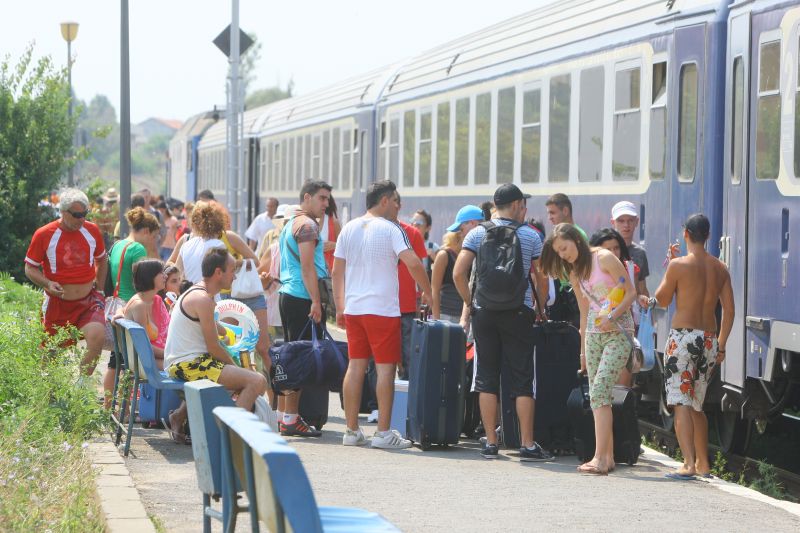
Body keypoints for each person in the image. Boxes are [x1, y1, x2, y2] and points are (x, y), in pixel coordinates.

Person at [453, 183, 550, 461]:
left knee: (485, 377)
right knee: (522, 379)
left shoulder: (475, 233)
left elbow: (459, 273)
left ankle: (491, 443)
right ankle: (527, 444)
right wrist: (539, 306)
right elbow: (541, 277)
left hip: (484, 312)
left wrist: (470, 303)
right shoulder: (531, 236)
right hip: (518, 312)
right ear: (518, 205)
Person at [333, 180, 432, 449]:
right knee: (385, 369)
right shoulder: (391, 229)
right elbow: (412, 262)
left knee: (355, 366)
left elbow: (336, 272)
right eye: (396, 201)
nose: (399, 207)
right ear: (385, 200)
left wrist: (340, 306)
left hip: (354, 308)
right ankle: (383, 432)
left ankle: (351, 431)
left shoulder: (349, 228)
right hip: (383, 310)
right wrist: (429, 292)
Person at [541, 223, 637, 474]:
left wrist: (612, 314)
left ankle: (601, 458)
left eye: (564, 248)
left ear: (576, 239)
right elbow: (584, 313)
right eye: (559, 252)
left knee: (602, 388)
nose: (563, 255)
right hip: (594, 336)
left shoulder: (603, 258)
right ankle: (606, 456)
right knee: (597, 396)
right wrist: (582, 351)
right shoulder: (575, 272)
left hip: (618, 331)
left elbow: (630, 291)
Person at [648, 214, 734, 479]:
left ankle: (688, 464)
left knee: (680, 402)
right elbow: (729, 311)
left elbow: (661, 300)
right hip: (708, 339)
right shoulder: (720, 268)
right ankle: (704, 465)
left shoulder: (679, 265)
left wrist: (670, 264)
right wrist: (720, 344)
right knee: (697, 404)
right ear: (707, 236)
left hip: (684, 337)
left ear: (685, 234)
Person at [163, 247, 268, 437]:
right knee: (256, 381)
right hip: (188, 364)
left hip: (182, 362)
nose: (234, 277)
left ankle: (178, 417)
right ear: (218, 272)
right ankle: (227, 436)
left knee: (227, 373)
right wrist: (238, 367)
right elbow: (213, 348)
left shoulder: (198, 292)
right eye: (232, 271)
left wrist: (230, 332)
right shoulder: (203, 300)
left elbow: (215, 330)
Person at [24, 188, 108, 376]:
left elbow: (102, 259)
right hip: (57, 304)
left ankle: (81, 389)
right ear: (62, 212)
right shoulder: (44, 234)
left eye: (84, 214)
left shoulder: (92, 230)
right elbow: (30, 268)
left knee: (97, 336)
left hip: (88, 302)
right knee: (51, 354)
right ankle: (50, 399)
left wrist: (100, 289)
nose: (81, 219)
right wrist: (47, 284)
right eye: (77, 215)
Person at [277, 180, 333, 437]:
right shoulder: (307, 225)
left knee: (290, 356)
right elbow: (308, 267)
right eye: (322, 198)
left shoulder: (291, 223)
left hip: (290, 294)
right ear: (307, 197)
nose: (326, 204)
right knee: (298, 360)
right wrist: (315, 301)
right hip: (302, 297)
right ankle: (291, 418)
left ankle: (283, 415)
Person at [102, 207, 161, 406]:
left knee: (115, 361)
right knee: (129, 362)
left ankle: (108, 406)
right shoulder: (138, 249)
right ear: (145, 231)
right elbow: (144, 277)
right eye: (153, 236)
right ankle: (123, 407)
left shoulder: (118, 244)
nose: (153, 241)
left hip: (115, 304)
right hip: (131, 308)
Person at [589, 228, 642, 387]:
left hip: (623, 330)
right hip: (599, 332)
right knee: (601, 387)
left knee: (621, 389)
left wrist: (641, 298)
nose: (613, 252)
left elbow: (634, 293)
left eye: (616, 248)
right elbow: (597, 300)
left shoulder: (629, 267)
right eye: (608, 249)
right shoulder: (594, 270)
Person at [120, 259, 170, 371]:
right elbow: (145, 348)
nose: (165, 276)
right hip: (145, 363)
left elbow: (168, 331)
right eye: (161, 273)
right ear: (150, 276)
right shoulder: (139, 305)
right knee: (188, 369)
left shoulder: (156, 300)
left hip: (157, 357)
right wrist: (172, 354)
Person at [610, 201, 650, 298]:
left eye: (630, 220)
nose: (626, 225)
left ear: (636, 222)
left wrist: (648, 307)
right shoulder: (606, 251)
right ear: (613, 223)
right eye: (621, 221)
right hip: (608, 309)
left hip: (633, 310)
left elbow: (642, 287)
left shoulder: (640, 253)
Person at [431, 231, 464, 323]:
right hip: (446, 316)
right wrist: (437, 321)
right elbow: (435, 289)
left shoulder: (468, 255)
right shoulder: (444, 255)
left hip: (465, 317)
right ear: (459, 236)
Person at [410, 209, 439, 273]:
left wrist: (434, 258)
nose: (414, 225)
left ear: (428, 228)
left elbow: (443, 271)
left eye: (419, 223)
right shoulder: (405, 246)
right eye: (412, 221)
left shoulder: (433, 247)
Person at [320, 194, 342, 274]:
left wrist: (334, 245)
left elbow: (344, 247)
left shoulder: (333, 222)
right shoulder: (305, 221)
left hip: (328, 275)